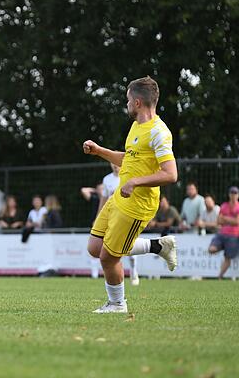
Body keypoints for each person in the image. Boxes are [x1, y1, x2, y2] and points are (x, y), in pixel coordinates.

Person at [83, 76, 178, 313]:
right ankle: (157, 247)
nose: (125, 104)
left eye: (127, 100)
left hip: (138, 205)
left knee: (108, 257)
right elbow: (129, 160)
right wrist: (99, 151)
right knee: (95, 248)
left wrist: (135, 182)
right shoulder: (136, 126)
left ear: (137, 102)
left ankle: (117, 304)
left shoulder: (159, 132)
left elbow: (170, 174)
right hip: (119, 198)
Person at [209, 186, 239, 279]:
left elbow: (238, 222)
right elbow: (219, 221)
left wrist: (225, 218)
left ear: (238, 195)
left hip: (234, 235)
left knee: (227, 258)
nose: (233, 195)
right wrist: (232, 220)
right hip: (222, 234)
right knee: (211, 249)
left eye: (235, 193)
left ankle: (219, 276)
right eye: (232, 193)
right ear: (229, 194)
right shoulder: (224, 205)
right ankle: (223, 247)